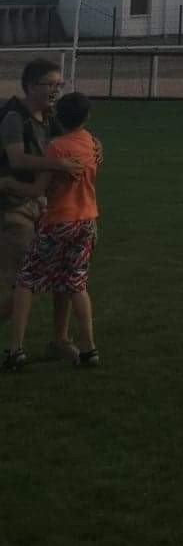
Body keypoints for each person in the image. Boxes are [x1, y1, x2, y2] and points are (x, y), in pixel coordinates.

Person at [2, 90, 102, 372]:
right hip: (87, 221)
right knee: (76, 284)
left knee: (26, 280)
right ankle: (88, 348)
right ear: (87, 116)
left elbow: (37, 189)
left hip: (58, 222)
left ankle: (15, 350)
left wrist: (8, 184)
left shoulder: (56, 148)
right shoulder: (92, 143)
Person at [0, 58, 83, 362]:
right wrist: (56, 163)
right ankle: (17, 347)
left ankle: (59, 341)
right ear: (31, 86)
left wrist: (94, 145)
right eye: (51, 85)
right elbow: (18, 160)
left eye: (59, 85)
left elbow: (73, 138)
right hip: (14, 210)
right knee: (24, 284)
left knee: (62, 275)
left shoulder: (50, 117)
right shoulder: (13, 118)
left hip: (45, 210)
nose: (56, 90)